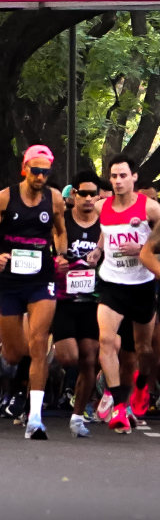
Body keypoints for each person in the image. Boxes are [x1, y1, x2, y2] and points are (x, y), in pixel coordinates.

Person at [0, 144, 67, 440]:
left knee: (39, 344)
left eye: (45, 172)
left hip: (41, 278)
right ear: (24, 169)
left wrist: (61, 253)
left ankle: (35, 418)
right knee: (13, 354)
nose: (40, 176)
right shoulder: (4, 197)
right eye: (35, 171)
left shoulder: (54, 199)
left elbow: (60, 231)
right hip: (10, 281)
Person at [93, 154, 160, 433]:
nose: (118, 181)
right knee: (106, 340)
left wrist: (145, 249)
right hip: (111, 282)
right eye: (113, 176)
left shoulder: (152, 209)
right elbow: (105, 233)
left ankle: (142, 386)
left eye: (123, 176)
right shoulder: (100, 207)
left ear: (134, 178)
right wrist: (98, 249)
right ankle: (120, 405)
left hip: (142, 285)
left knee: (143, 351)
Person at [50, 172, 102, 437]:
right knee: (68, 357)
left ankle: (78, 416)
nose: (89, 198)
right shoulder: (61, 223)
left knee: (90, 360)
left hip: (94, 300)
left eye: (94, 193)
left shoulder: (105, 225)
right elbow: (44, 253)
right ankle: (53, 376)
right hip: (63, 299)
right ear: (73, 196)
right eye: (83, 193)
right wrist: (56, 262)